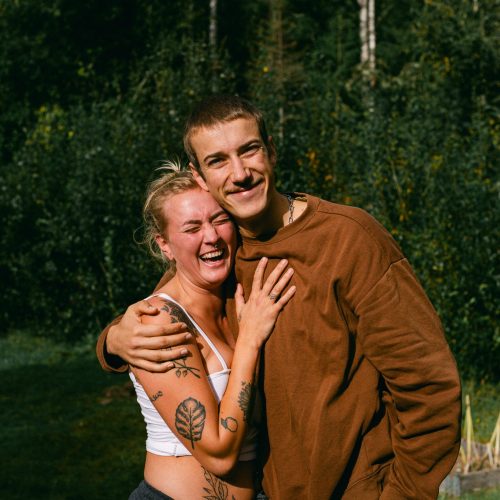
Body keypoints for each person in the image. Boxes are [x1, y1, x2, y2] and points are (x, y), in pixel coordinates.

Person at [97, 95, 461, 499]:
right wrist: (114, 340)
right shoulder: (224, 248)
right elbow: (174, 301)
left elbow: (429, 390)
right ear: (201, 176)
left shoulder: (348, 239)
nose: (240, 173)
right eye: (218, 160)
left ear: (270, 150)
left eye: (249, 150)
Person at [124, 167, 295, 499]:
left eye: (219, 220)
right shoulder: (158, 323)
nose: (212, 237)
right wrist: (249, 340)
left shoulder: (235, 301)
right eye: (192, 228)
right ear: (165, 245)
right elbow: (219, 454)